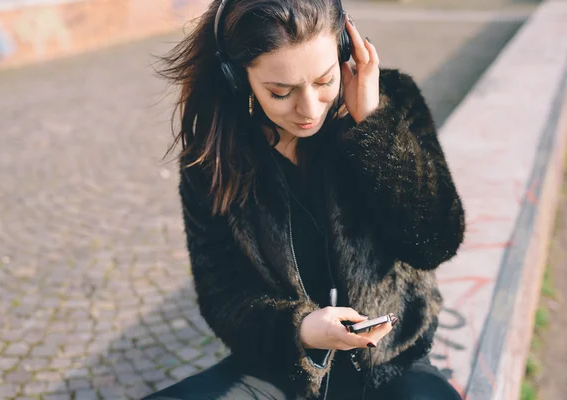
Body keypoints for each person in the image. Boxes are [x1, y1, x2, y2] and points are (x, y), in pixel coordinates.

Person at [145, 0, 465, 398]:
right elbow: (222, 296)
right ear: (237, 78)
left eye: (324, 81)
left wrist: (372, 125)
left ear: (345, 52)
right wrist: (301, 330)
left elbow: (437, 241)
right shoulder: (212, 156)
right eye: (280, 92)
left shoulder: (393, 102)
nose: (308, 109)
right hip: (280, 370)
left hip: (392, 364)